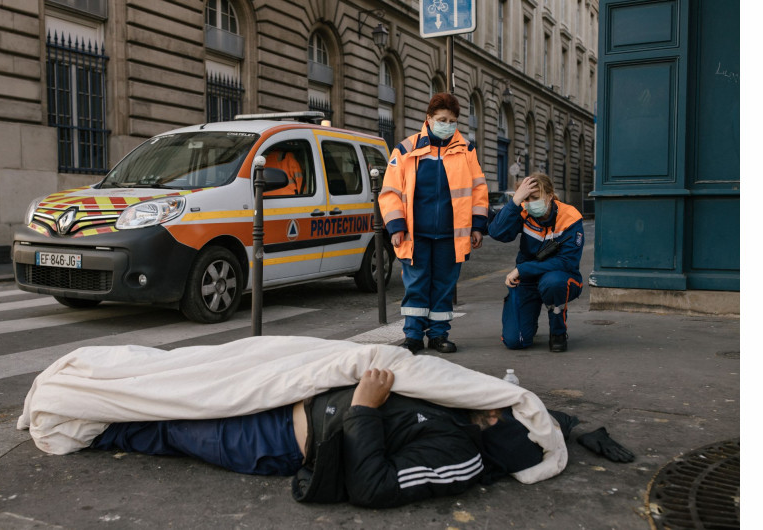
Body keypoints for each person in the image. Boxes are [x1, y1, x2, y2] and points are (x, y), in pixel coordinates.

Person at [90, 369, 633, 508]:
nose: (495, 401)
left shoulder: (459, 457)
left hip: (278, 439)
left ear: (496, 425)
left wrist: (364, 409)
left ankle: (90, 426)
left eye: (503, 408)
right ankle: (106, 398)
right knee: (177, 390)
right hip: (289, 395)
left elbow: (374, 485)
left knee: (168, 428)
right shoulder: (461, 413)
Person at [379, 92, 489, 354]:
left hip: (452, 235)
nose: (447, 124)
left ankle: (439, 336)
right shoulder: (406, 149)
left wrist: (477, 226)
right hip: (416, 235)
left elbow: (478, 190)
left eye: (452, 120)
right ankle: (413, 336)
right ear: (428, 118)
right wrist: (396, 227)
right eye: (442, 119)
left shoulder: (467, 151)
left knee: (443, 287)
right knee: (416, 285)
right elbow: (390, 192)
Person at [487, 172, 584, 352]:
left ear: (549, 195)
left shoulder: (570, 216)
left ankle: (558, 332)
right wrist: (515, 201)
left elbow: (566, 262)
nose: (531, 203)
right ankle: (529, 323)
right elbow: (496, 232)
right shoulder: (523, 210)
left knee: (553, 283)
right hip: (528, 280)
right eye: (527, 198)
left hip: (561, 277)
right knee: (514, 341)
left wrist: (521, 269)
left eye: (535, 197)